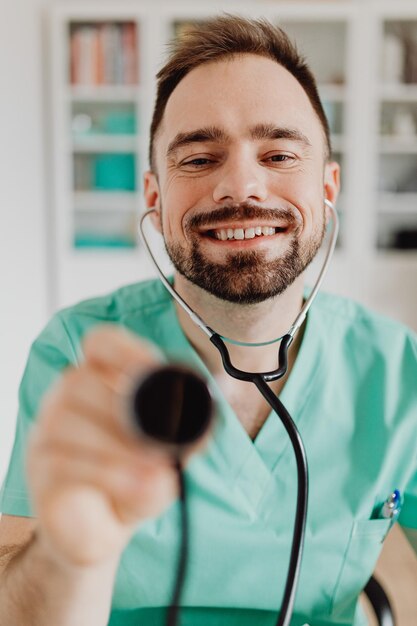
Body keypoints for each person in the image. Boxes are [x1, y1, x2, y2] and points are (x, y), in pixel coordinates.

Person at [0, 14, 416, 626]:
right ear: (154, 196)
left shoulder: (396, 367)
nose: (241, 185)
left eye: (278, 153)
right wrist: (70, 554)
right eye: (198, 158)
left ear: (330, 190)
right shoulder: (78, 350)